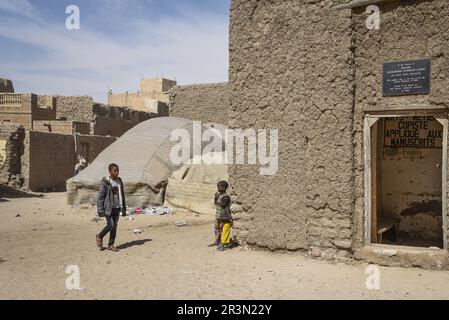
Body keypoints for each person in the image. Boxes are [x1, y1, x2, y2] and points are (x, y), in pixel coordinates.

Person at [96, 163, 126, 252]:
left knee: (114, 227)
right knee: (111, 225)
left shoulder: (119, 181)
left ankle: (111, 245)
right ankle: (100, 236)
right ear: (110, 171)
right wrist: (100, 209)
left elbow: (122, 194)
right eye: (114, 170)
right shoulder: (105, 182)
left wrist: (123, 207)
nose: (117, 172)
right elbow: (100, 196)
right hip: (108, 208)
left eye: (117, 170)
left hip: (117, 207)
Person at [210, 181, 233, 251]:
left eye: (219, 187)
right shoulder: (219, 195)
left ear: (224, 188)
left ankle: (223, 244)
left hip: (224, 216)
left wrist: (218, 198)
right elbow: (215, 204)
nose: (218, 188)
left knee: (224, 230)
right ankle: (217, 241)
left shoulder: (226, 196)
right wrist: (216, 198)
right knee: (217, 228)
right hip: (218, 215)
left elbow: (223, 204)